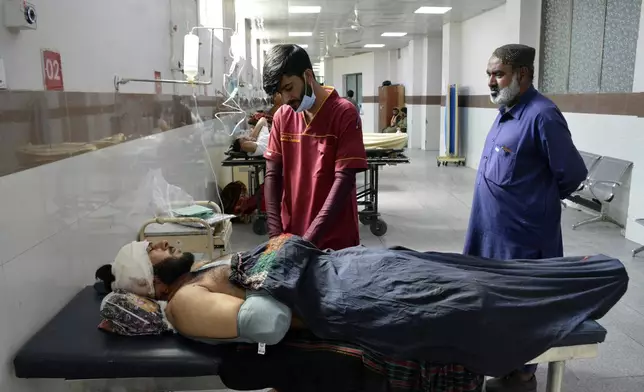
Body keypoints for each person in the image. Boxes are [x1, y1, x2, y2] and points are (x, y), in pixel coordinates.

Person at [95, 235, 626, 382]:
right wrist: (274, 260)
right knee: (471, 298)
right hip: (348, 300)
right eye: (154, 251)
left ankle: (584, 277)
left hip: (346, 270)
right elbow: (267, 323)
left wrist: (277, 252)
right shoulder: (185, 302)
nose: (163, 245)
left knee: (458, 267)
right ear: (150, 280)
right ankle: (576, 294)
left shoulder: (196, 273)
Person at [463, 44, 588, 392]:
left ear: (522, 75)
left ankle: (523, 375)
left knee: (523, 310)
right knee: (493, 305)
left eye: (498, 73)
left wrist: (537, 203)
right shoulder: (506, 110)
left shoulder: (542, 115)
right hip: (489, 234)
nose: (491, 81)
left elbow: (573, 173)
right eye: (489, 73)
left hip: (524, 241)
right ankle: (501, 362)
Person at [261, 44, 368, 250]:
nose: (285, 99)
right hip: (293, 235)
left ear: (308, 75)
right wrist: (275, 235)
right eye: (279, 93)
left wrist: (309, 240)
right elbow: (272, 175)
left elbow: (344, 181)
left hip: (334, 237)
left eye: (289, 88)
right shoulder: (283, 116)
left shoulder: (343, 113)